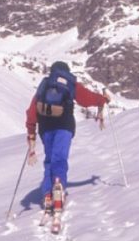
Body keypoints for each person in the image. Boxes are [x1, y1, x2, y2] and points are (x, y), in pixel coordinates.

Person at [26, 61, 109, 211]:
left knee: (50, 160)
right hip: (64, 127)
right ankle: (58, 185)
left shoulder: (45, 84)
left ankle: (47, 193)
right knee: (60, 158)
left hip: (45, 129)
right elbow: (86, 98)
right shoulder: (70, 84)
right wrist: (103, 100)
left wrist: (31, 133)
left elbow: (32, 112)